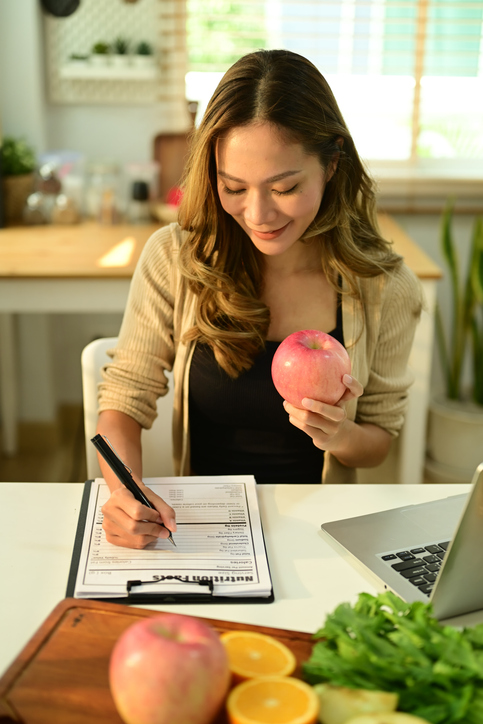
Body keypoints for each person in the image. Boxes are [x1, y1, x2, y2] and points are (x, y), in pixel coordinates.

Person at [96, 49, 423, 548]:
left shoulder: (385, 286)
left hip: (323, 533)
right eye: (234, 187)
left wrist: (340, 435)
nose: (258, 214)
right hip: (199, 530)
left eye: (285, 187)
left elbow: (378, 441)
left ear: (332, 163)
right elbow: (124, 398)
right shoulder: (176, 258)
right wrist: (124, 491)